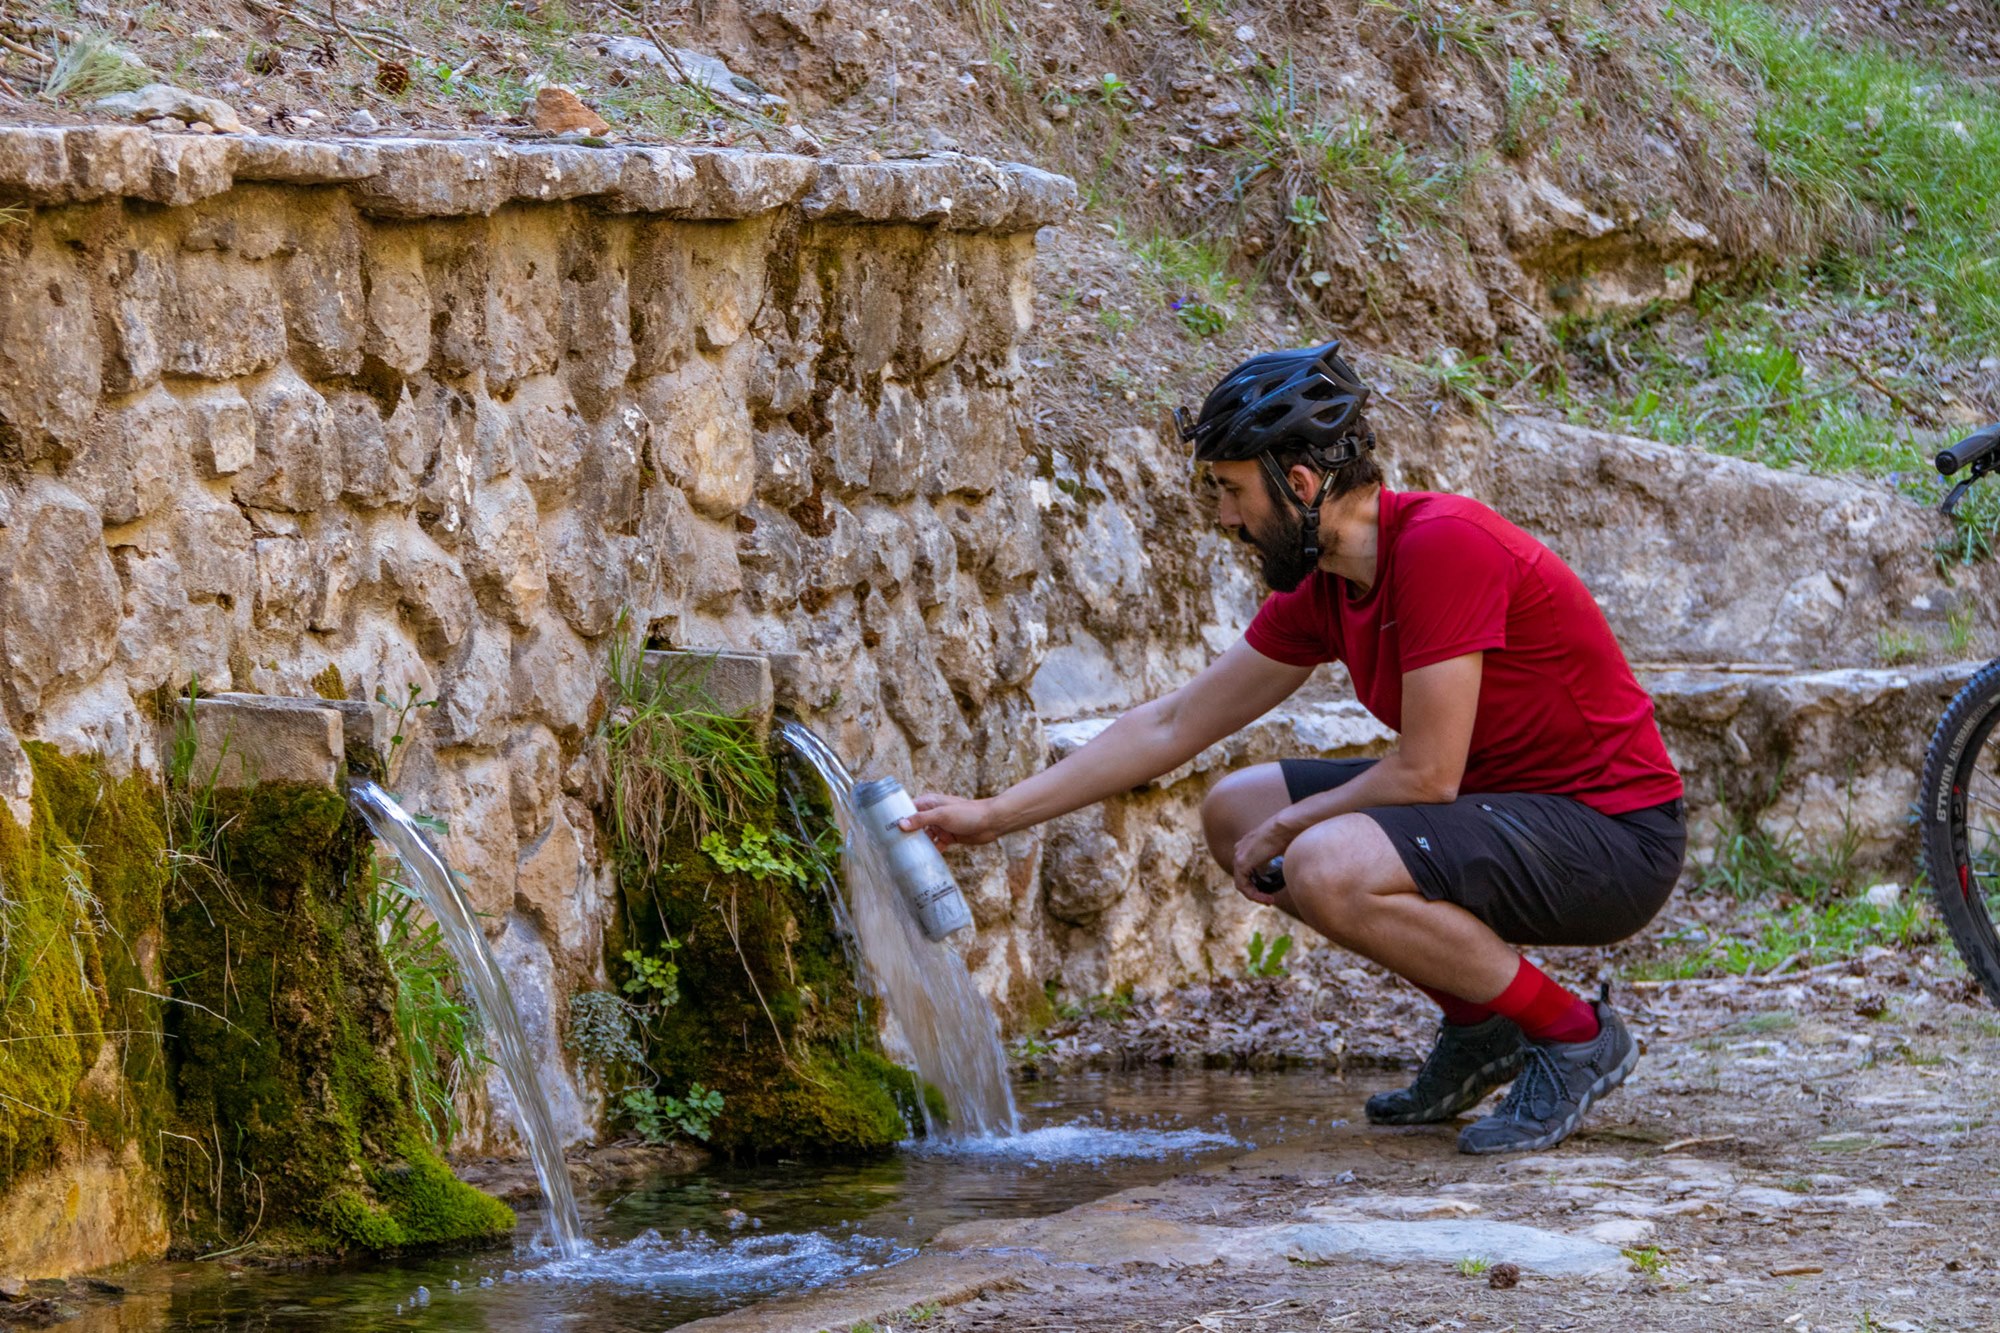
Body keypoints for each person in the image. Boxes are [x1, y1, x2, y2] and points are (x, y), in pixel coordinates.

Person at [902, 341, 1687, 1155]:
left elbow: (1426, 771)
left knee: (1323, 860)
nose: (1224, 518)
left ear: (1301, 485)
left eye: (1232, 492)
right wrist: (996, 814)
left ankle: (1573, 1034)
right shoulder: (1330, 586)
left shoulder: (1445, 546)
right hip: (1499, 807)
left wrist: (1293, 827)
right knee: (1235, 808)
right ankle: (1479, 1020)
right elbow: (1172, 725)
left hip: (1612, 837)